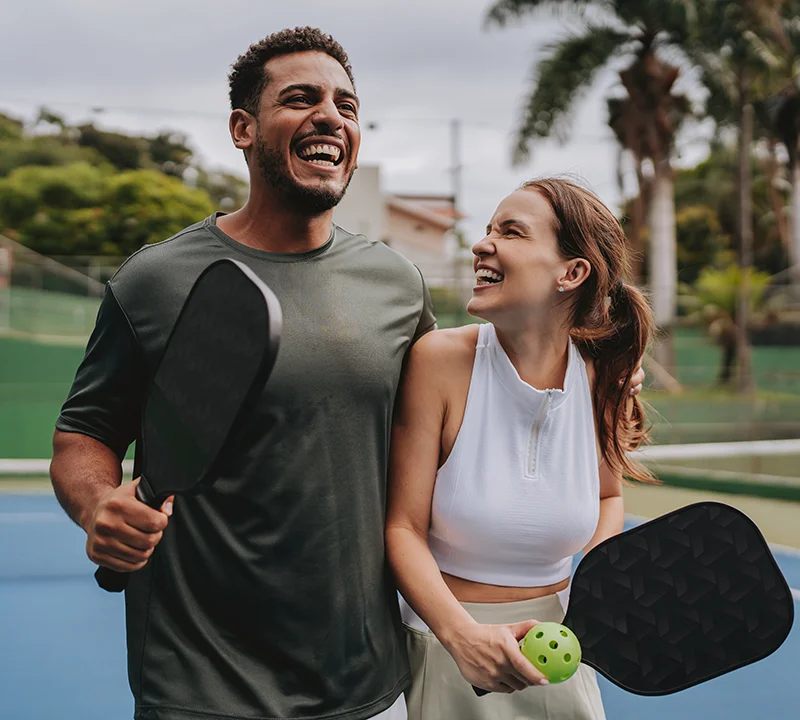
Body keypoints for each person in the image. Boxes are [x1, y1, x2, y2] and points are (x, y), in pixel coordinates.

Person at [49, 28, 645, 720]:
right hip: (199, 684)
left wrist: (603, 366)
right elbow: (83, 435)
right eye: (299, 99)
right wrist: (98, 505)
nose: (330, 117)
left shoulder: (396, 285)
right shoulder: (153, 280)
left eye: (347, 105)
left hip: (366, 683)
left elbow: (481, 396)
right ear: (243, 129)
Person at [385, 178, 658, 720]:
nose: (481, 244)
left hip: (563, 654)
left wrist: (596, 587)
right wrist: (461, 637)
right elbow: (402, 529)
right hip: (444, 651)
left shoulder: (605, 377)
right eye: (488, 228)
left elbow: (608, 497)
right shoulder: (437, 360)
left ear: (571, 273)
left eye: (510, 232)